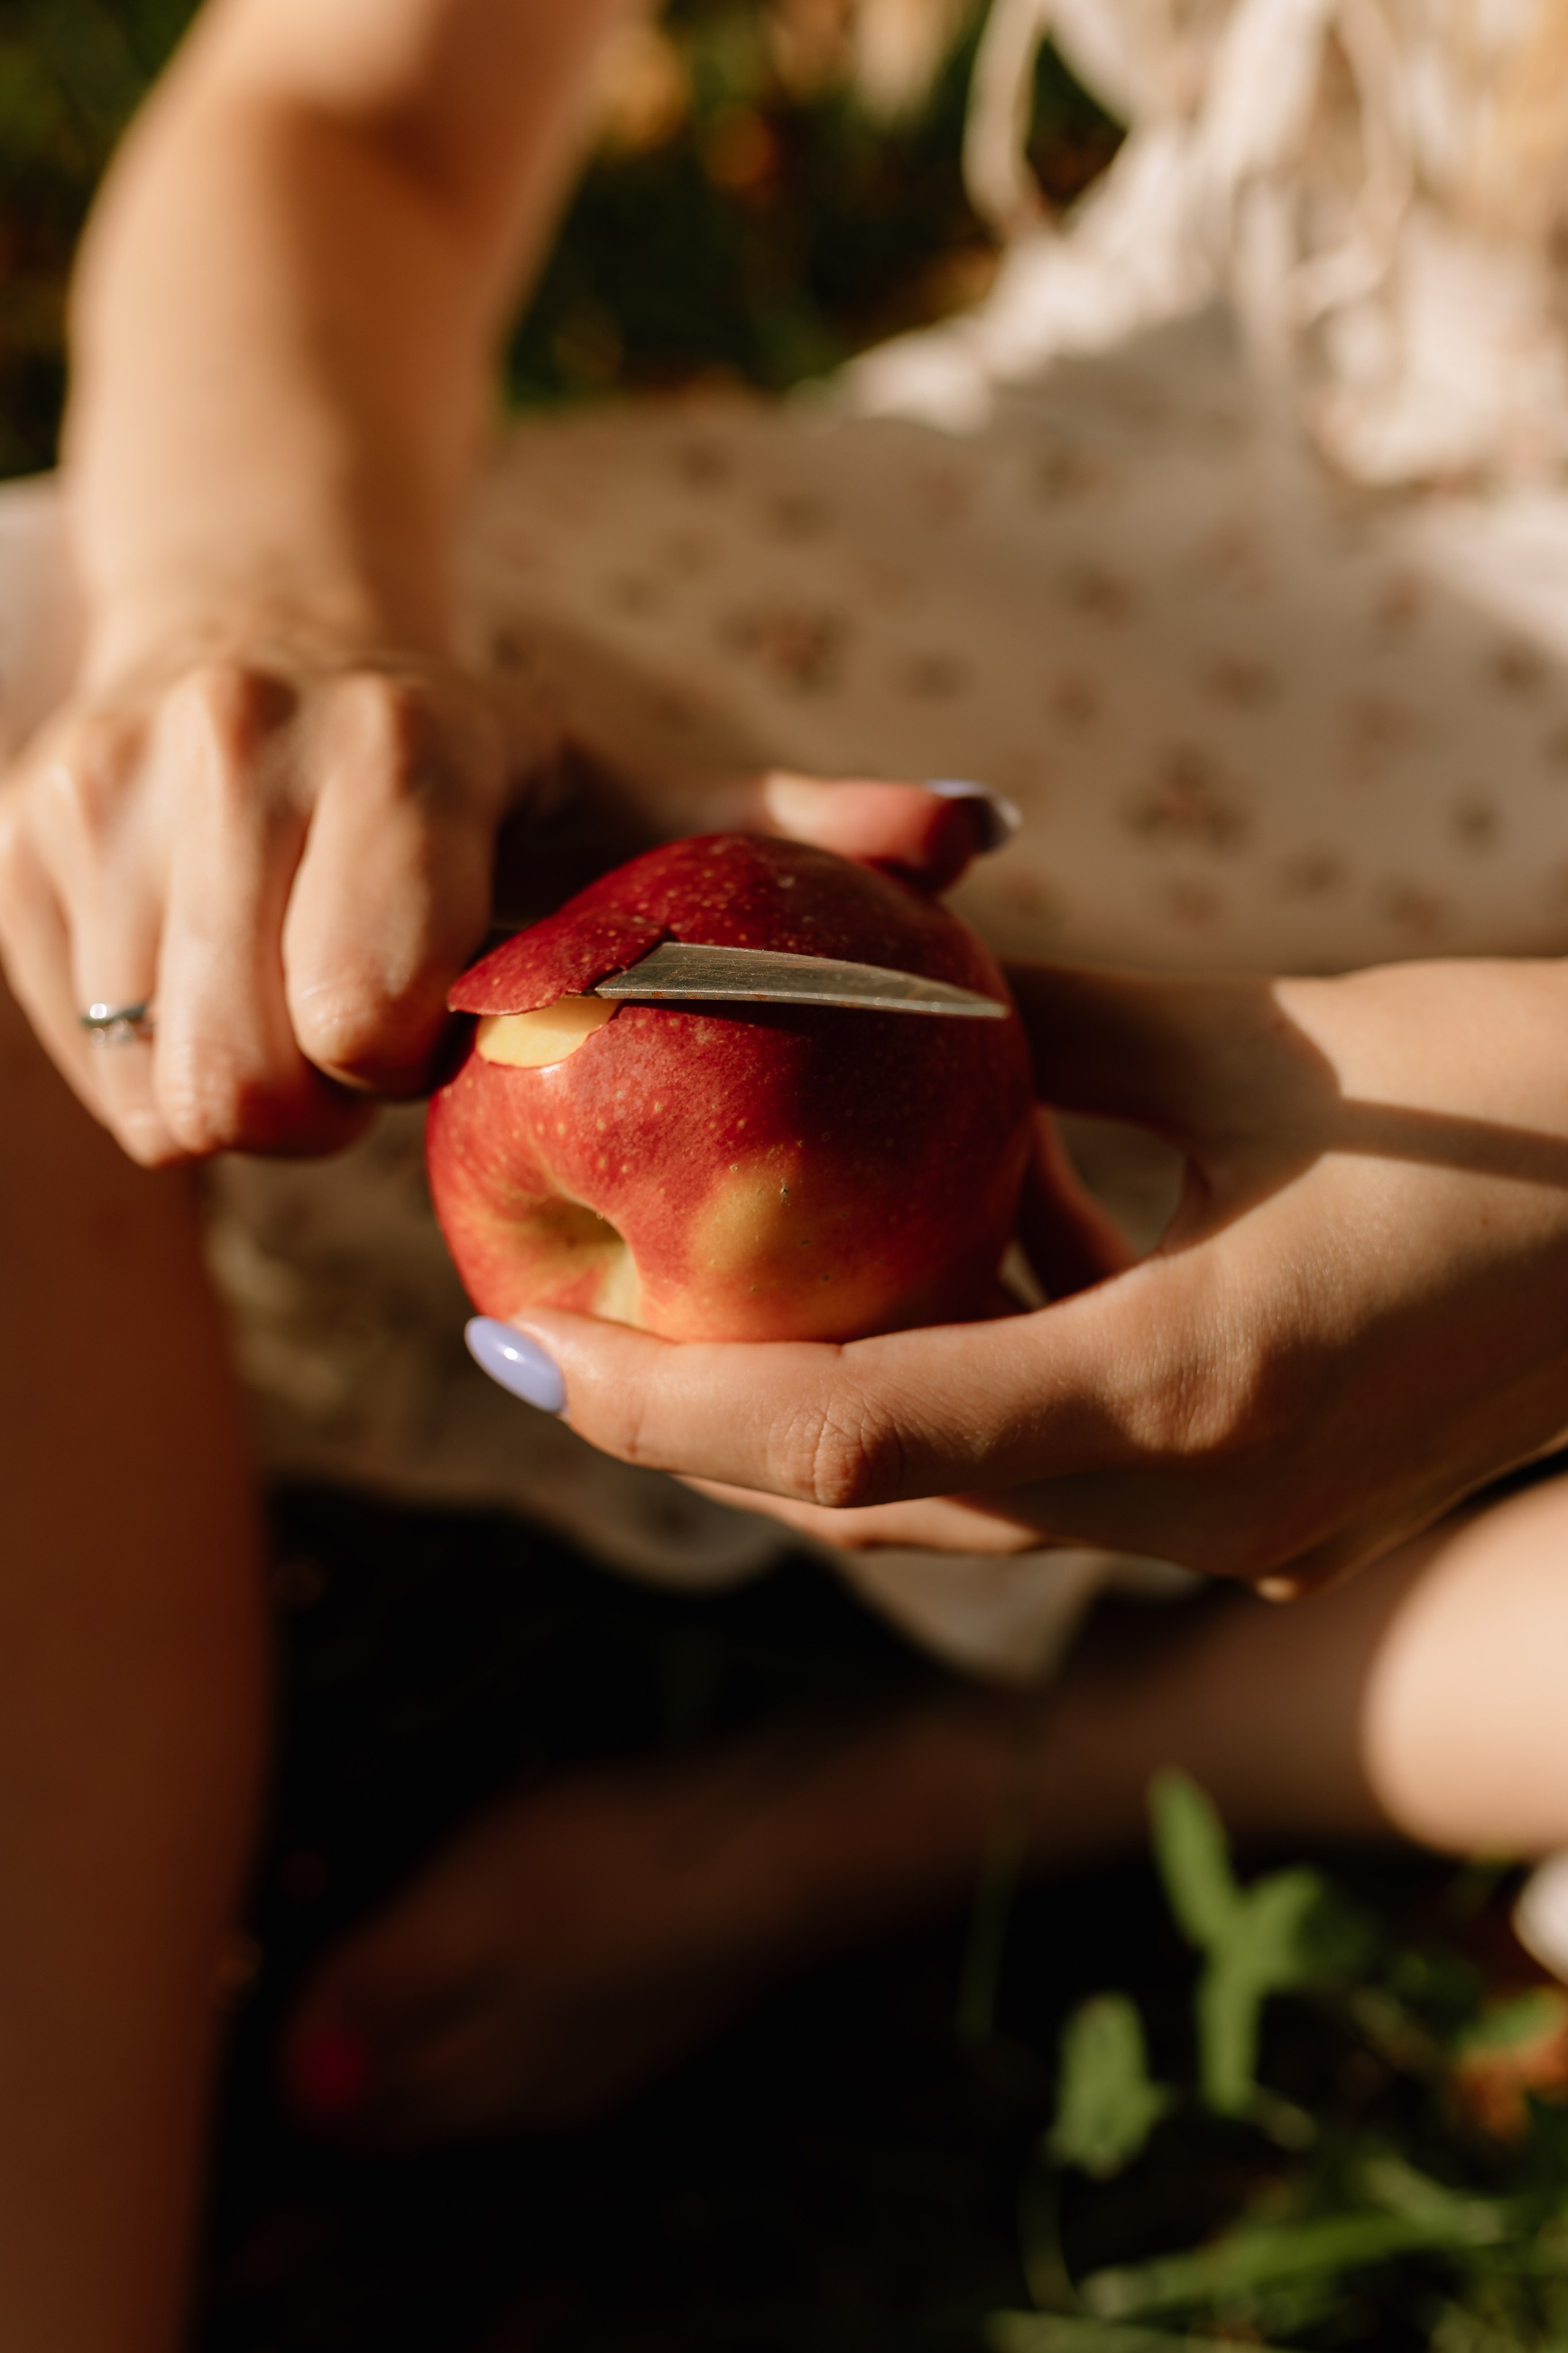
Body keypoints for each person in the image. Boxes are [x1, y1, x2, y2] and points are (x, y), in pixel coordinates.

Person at [6, 0, 1568, 2342]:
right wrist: (269, 618)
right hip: (1110, 601)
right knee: (35, 739)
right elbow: (362, 104)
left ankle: (903, 1807)